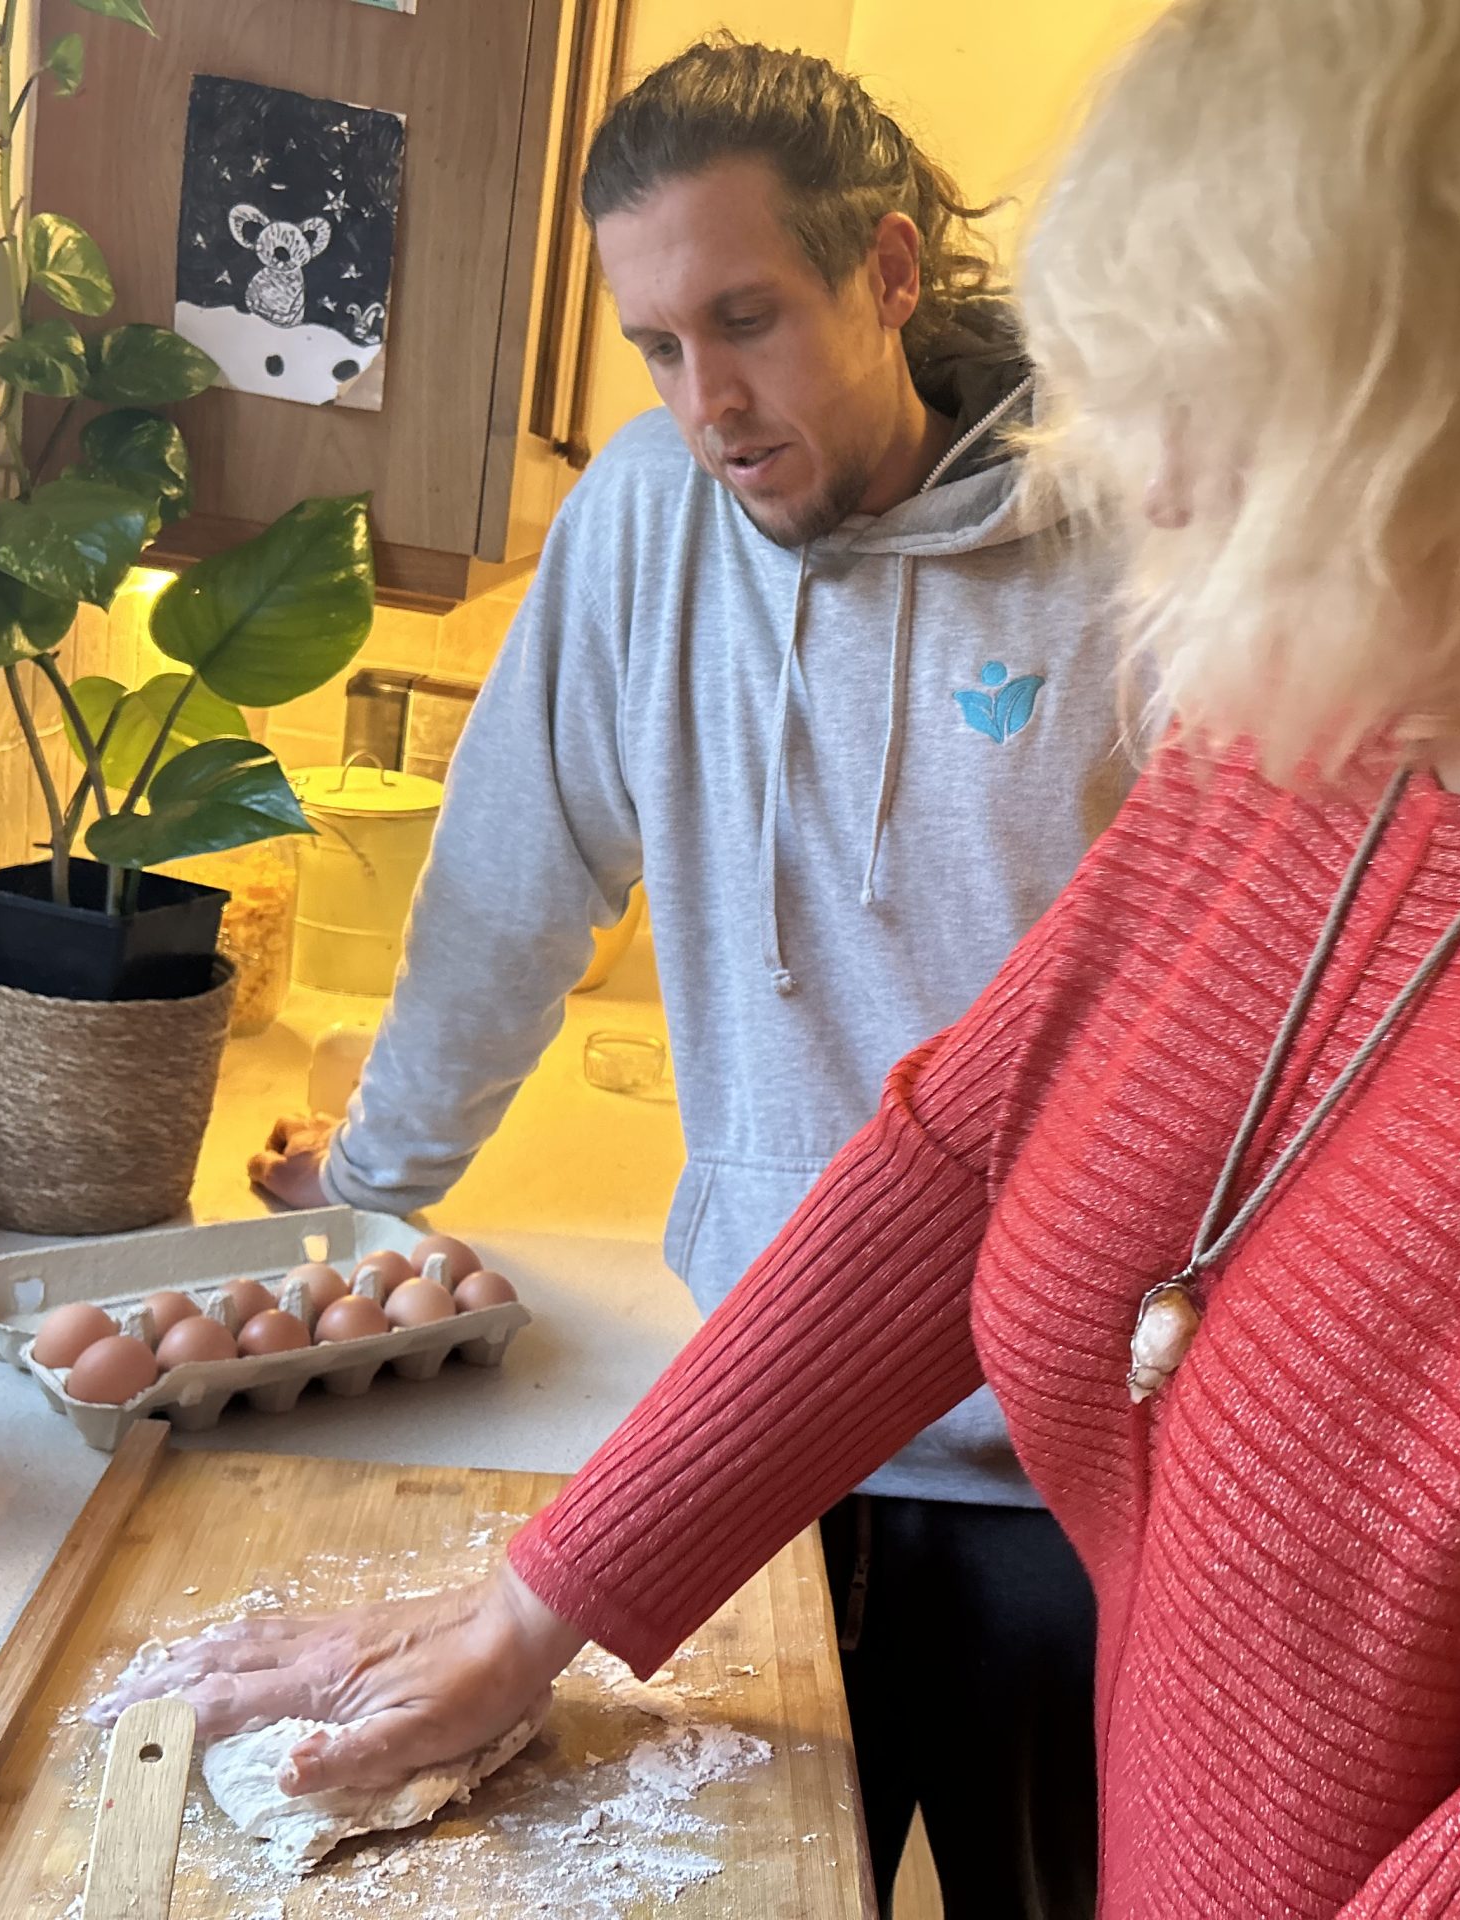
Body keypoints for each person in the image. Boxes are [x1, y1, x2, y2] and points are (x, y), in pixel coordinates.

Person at [114, 1, 1460, 1912]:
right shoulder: (1357, 690)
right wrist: (538, 1601)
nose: (1178, 592)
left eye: (1229, 501)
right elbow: (960, 1154)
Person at [242, 38, 1119, 1917]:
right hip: (750, 1434)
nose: (705, 402)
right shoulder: (645, 523)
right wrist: (376, 1190)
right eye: (656, 344)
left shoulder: (1138, 552)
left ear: (888, 270)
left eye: (748, 319)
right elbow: (503, 891)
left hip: (1082, 1481)